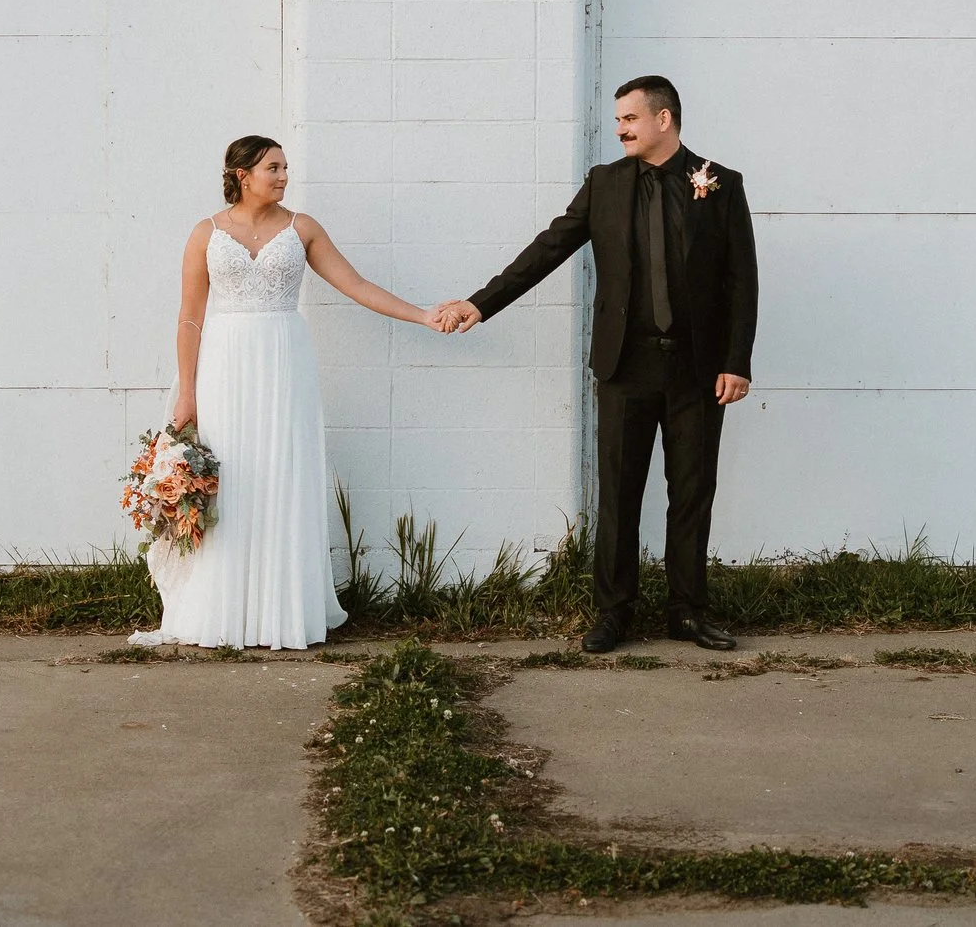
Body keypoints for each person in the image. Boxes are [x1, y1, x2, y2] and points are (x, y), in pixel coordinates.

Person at [433, 76, 758, 654]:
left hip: (697, 370)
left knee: (691, 492)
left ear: (664, 119)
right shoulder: (604, 184)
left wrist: (737, 361)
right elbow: (550, 246)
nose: (620, 129)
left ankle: (687, 612)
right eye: (618, 120)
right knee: (619, 494)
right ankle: (614, 615)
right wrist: (480, 304)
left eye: (630, 119)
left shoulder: (720, 183)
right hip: (625, 367)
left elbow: (742, 280)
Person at [130, 135, 443, 651]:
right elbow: (190, 317)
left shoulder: (302, 229)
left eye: (284, 168)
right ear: (241, 174)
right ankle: (224, 611)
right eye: (272, 168)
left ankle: (281, 613)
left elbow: (358, 286)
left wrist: (423, 314)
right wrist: (187, 393)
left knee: (282, 476)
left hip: (283, 363)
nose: (282, 176)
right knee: (231, 483)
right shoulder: (205, 233)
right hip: (225, 367)